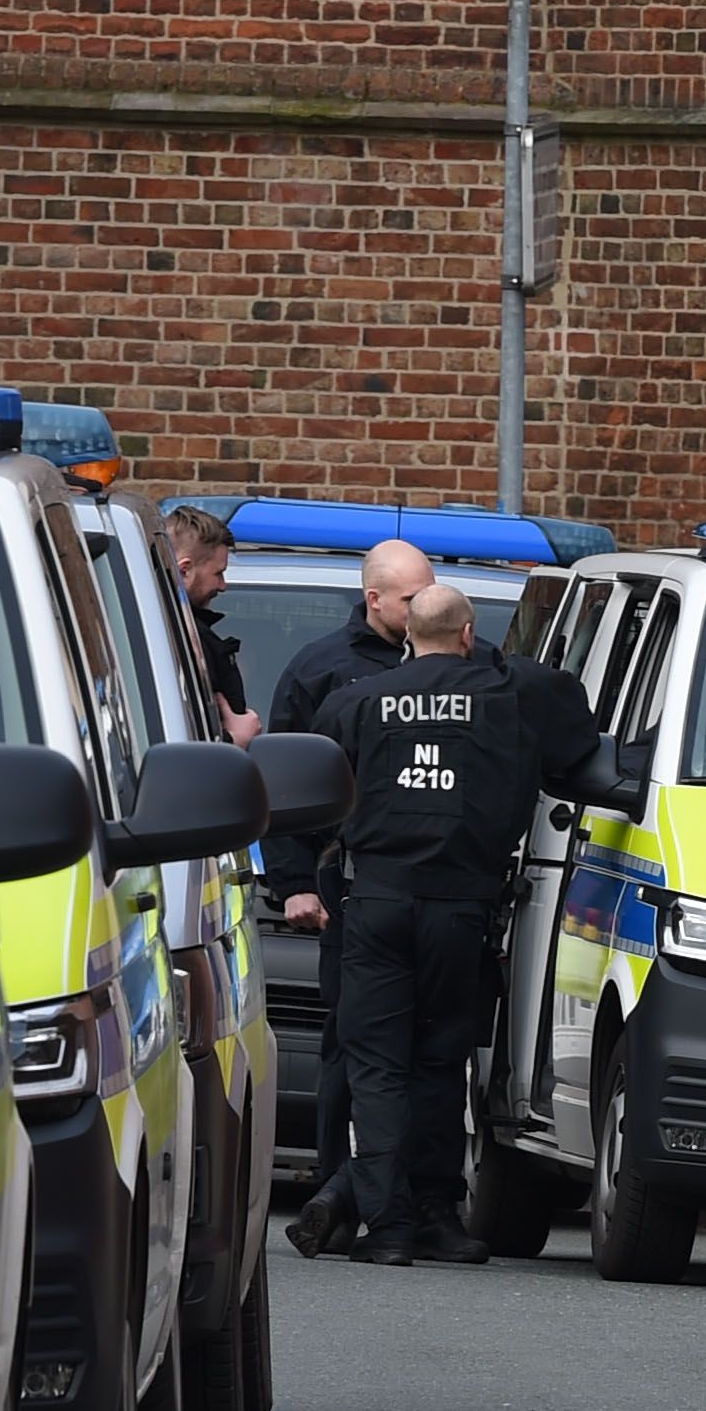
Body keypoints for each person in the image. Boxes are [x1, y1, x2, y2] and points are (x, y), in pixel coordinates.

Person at [312, 581, 610, 1265]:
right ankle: (437, 1215)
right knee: (442, 1062)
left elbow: (313, 793)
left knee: (378, 1066)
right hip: (463, 908)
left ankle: (387, 1229)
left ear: (407, 635)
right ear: (471, 635)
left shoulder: (356, 700)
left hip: (378, 902)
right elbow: (580, 748)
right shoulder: (518, 695)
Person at [264, 537, 434, 1255]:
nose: (422, 606)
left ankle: (414, 1200)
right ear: (373, 599)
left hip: (432, 892)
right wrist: (296, 882)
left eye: (429, 595)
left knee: (425, 1054)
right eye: (408, 598)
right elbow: (284, 785)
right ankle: (334, 1191)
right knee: (349, 1045)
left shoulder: (455, 669)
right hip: (346, 882)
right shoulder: (323, 671)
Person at [165, 504, 261, 746]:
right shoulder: (184, 637)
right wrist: (235, 740)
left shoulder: (166, 626)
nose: (223, 586)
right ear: (185, 570)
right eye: (218, 573)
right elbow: (191, 740)